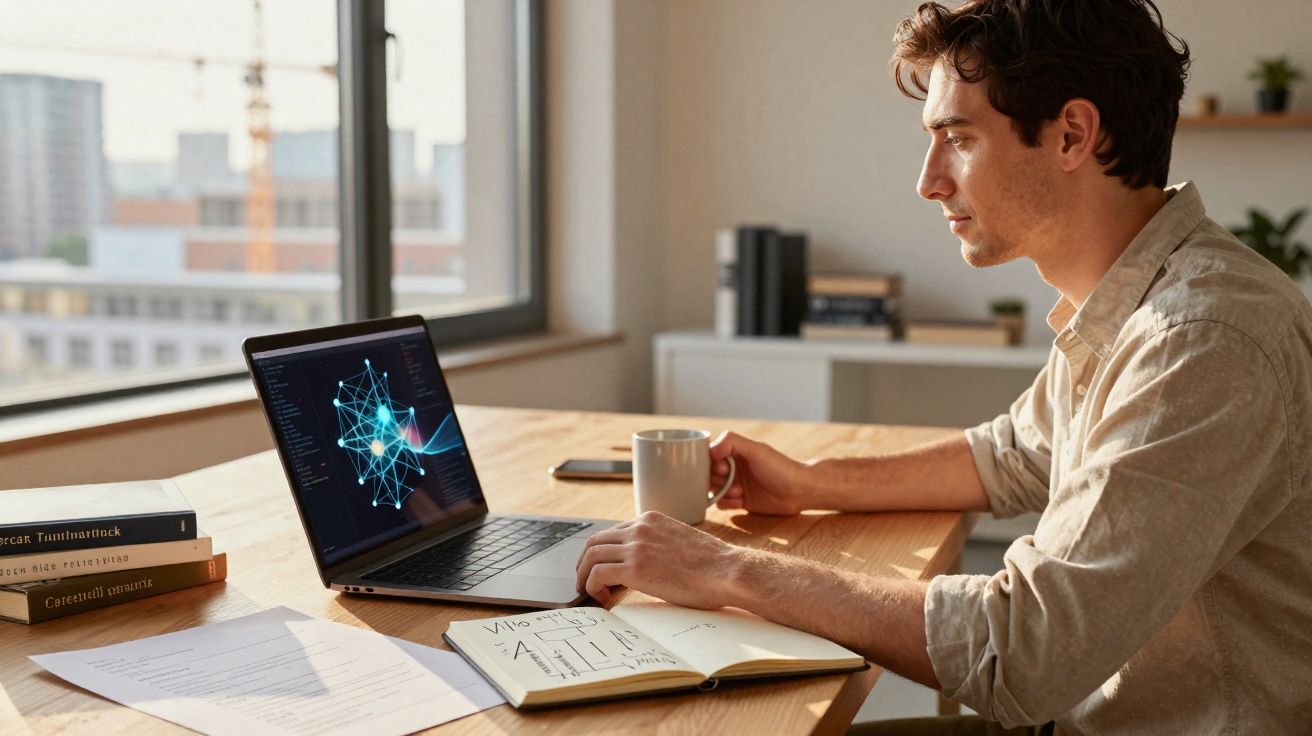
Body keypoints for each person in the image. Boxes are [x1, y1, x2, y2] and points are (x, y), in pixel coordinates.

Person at [575, 0, 1312, 733]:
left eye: (957, 138)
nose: (929, 181)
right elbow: (1015, 454)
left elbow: (1021, 649)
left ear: (1072, 134)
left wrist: (726, 570)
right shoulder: (1137, 297)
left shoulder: (1203, 339)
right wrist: (809, 481)